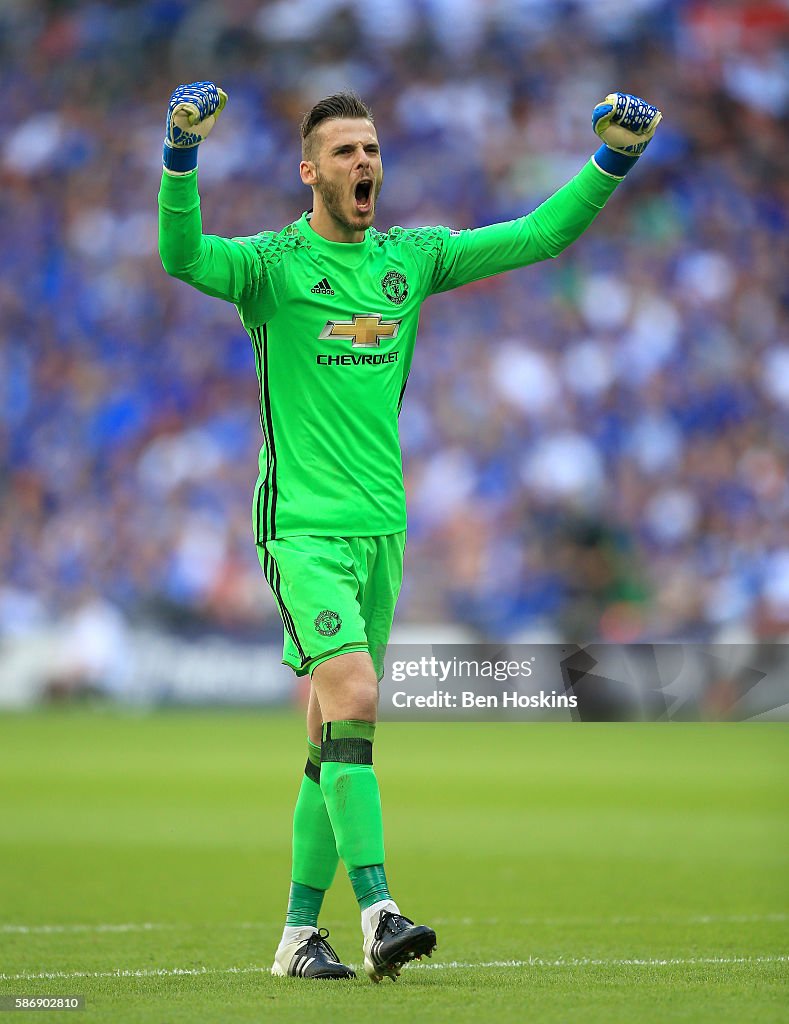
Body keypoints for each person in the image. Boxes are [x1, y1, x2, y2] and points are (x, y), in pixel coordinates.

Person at [158, 84, 661, 982]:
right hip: (301, 530)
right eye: (346, 152)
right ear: (308, 170)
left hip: (382, 531)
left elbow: (538, 234)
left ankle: (296, 935)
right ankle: (381, 909)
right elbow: (181, 256)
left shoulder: (411, 258)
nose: (365, 165)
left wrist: (612, 158)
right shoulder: (272, 266)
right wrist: (181, 154)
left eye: (373, 151)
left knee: (328, 741)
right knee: (353, 694)